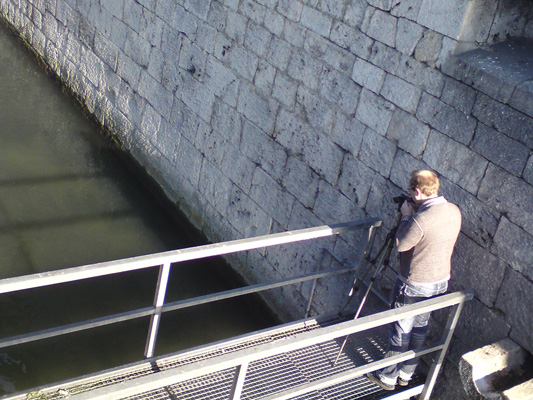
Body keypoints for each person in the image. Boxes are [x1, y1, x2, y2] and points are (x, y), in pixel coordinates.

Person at [366, 169, 462, 390]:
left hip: (415, 282)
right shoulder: (454, 211)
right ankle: (406, 375)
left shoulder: (420, 220)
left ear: (418, 192)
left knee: (401, 329)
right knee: (420, 328)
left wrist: (407, 215)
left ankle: (388, 377)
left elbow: (402, 244)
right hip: (440, 281)